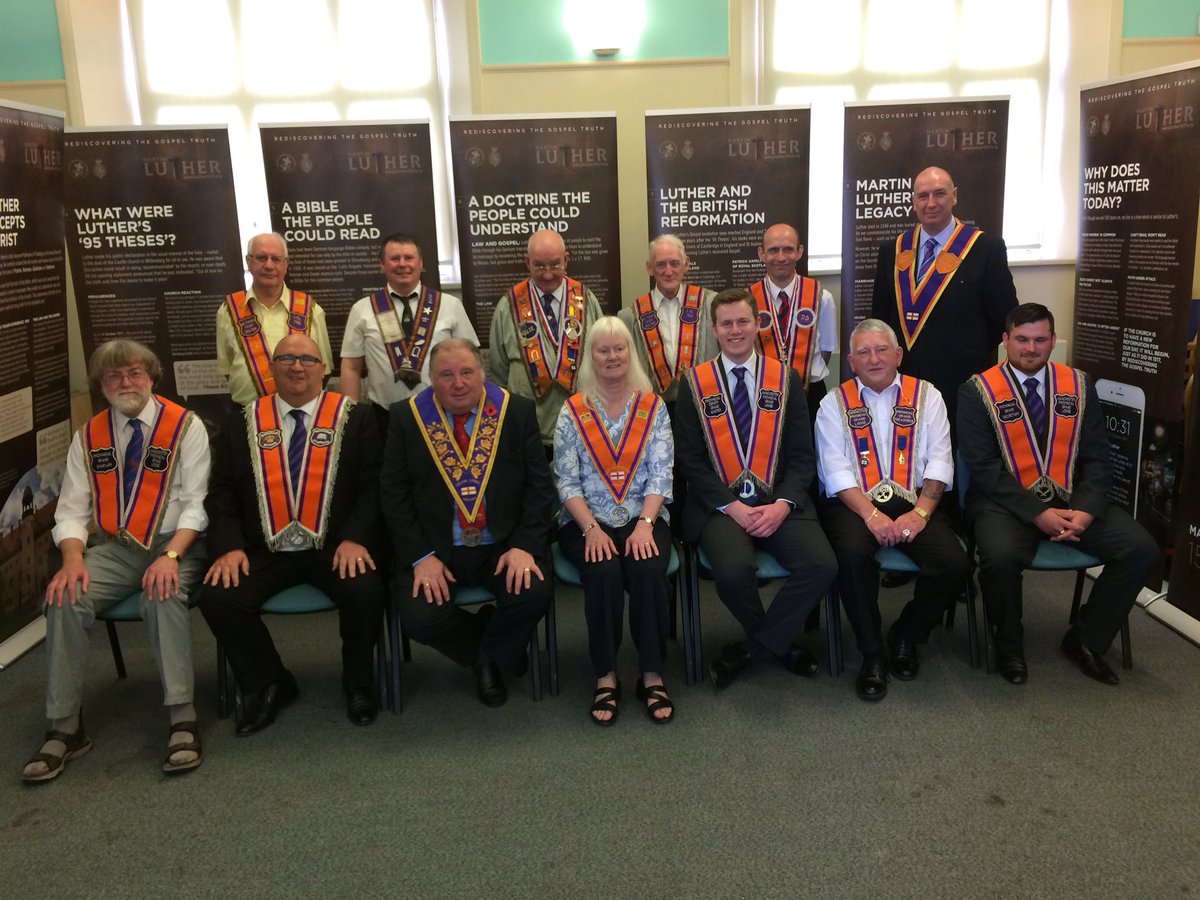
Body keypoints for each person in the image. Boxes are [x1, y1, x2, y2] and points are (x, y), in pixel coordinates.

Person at [22, 340, 209, 782]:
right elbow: (70, 510)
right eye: (114, 376)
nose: (125, 382)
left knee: (162, 594)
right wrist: (72, 560)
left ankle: (182, 717)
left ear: (151, 377)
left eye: (134, 373)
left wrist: (169, 557)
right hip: (116, 548)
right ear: (101, 385)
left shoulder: (185, 426)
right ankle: (65, 726)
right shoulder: (89, 436)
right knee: (65, 597)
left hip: (176, 543)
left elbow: (196, 504)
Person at [957, 303, 1156, 685]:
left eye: (1039, 340)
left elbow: (1099, 458)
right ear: (1005, 340)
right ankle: (1009, 645)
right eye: (1021, 339)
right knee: (998, 557)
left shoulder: (1078, 385)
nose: (1030, 349)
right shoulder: (976, 391)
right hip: (1003, 504)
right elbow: (982, 469)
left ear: (1052, 341)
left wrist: (1085, 510)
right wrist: (1036, 513)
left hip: (1070, 503)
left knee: (1140, 549)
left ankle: (1085, 639)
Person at [198, 333, 385, 732]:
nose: (297, 367)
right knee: (218, 597)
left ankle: (358, 681)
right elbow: (222, 494)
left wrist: (356, 538)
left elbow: (374, 487)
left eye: (307, 359)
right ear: (272, 367)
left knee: (365, 588)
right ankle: (269, 682)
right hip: (263, 549)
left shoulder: (358, 418)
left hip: (335, 546)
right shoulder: (240, 424)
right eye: (286, 358)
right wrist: (229, 547)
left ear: (324, 369)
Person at [673, 288, 837, 689]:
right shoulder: (693, 384)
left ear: (757, 324)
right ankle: (782, 644)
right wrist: (734, 508)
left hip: (781, 504)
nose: (735, 330)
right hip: (720, 507)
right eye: (726, 323)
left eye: (743, 321)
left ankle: (754, 648)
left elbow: (802, 457)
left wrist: (782, 504)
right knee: (732, 573)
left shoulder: (786, 380)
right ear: (714, 329)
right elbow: (691, 462)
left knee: (822, 565)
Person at [380, 339, 554, 707]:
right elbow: (393, 496)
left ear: (482, 374)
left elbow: (540, 487)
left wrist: (524, 546)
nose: (457, 383)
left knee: (533, 594)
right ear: (431, 379)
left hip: (502, 545)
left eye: (466, 373)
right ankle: (490, 652)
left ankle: (485, 659)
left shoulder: (515, 411)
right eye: (446, 375)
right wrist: (420, 556)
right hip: (436, 549)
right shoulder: (406, 417)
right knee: (419, 617)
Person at [815, 319, 966, 701]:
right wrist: (870, 515)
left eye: (882, 349)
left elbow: (939, 462)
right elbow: (834, 470)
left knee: (954, 564)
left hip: (916, 501)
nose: (874, 358)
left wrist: (921, 513)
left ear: (898, 354)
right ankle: (872, 653)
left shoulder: (928, 396)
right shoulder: (832, 404)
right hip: (855, 504)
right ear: (850, 361)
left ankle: (907, 635)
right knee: (849, 556)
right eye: (863, 352)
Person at [553, 316, 675, 725]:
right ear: (591, 356)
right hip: (586, 521)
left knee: (646, 567)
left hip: (646, 516)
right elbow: (566, 481)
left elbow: (661, 473)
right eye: (602, 350)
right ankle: (606, 676)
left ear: (630, 353)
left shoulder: (653, 406)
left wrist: (644, 524)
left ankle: (651, 673)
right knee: (603, 571)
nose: (611, 356)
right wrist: (590, 529)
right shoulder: (572, 411)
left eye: (619, 348)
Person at [872, 166, 1018, 428]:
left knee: (958, 455)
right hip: (905, 380)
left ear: (955, 196)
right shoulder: (891, 250)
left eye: (939, 194)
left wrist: (962, 352)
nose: (931, 203)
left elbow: (1004, 318)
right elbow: (881, 318)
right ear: (913, 201)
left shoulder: (986, 248)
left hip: (961, 380)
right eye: (923, 196)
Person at [340, 232, 478, 429]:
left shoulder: (449, 305)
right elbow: (351, 367)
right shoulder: (362, 309)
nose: (402, 264)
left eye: (409, 258)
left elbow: (471, 361)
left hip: (442, 413)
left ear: (420, 264)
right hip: (383, 417)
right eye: (395, 258)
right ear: (383, 265)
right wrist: (350, 418)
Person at [488, 228, 604, 446]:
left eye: (555, 264)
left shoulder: (586, 300)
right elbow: (498, 371)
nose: (548, 273)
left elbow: (602, 360)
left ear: (566, 260)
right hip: (527, 431)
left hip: (581, 427)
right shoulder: (509, 305)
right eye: (539, 265)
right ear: (527, 262)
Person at [216, 232, 334, 408]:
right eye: (261, 258)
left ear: (285, 265)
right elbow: (227, 369)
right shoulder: (228, 310)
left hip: (302, 415)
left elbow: (324, 369)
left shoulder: (310, 309)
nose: (269, 265)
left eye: (276, 259)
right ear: (248, 262)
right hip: (247, 414)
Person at [618, 235, 718, 406]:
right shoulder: (630, 317)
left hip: (704, 405)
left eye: (675, 263)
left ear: (686, 264)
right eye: (661, 264)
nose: (668, 271)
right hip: (653, 409)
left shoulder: (711, 305)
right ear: (649, 268)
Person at [748, 223, 836, 416]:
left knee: (811, 446)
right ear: (761, 254)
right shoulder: (749, 300)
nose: (781, 257)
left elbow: (826, 351)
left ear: (799, 252)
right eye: (773, 250)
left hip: (811, 394)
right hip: (762, 395)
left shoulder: (822, 297)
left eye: (788, 249)